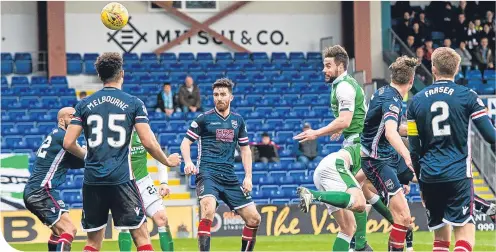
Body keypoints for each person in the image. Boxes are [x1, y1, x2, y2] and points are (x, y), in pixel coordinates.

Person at [63, 52, 181, 252]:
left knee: (92, 243)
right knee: (141, 236)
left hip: (92, 180)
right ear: (122, 74)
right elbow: (148, 141)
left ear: (100, 76)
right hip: (121, 179)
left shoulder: (83, 105)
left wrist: (89, 157)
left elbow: (67, 143)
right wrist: (167, 162)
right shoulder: (133, 103)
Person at [407, 47, 496, 252]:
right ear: (456, 69)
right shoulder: (468, 96)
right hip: (458, 175)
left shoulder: (416, 101)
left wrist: (421, 181)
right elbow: (491, 136)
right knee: (465, 235)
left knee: (440, 238)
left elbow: (414, 148)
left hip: (429, 176)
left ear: (433, 68)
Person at [293, 45, 372, 251]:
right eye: (324, 65)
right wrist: (339, 129)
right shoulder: (342, 85)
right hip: (353, 144)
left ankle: (361, 245)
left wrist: (317, 132)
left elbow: (345, 120)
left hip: (356, 145)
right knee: (357, 207)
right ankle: (362, 246)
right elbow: (347, 120)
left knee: (349, 224)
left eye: (328, 65)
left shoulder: (344, 87)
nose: (324, 70)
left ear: (341, 65)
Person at [180, 78, 261, 252]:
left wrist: (248, 177)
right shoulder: (203, 119)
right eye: (216, 95)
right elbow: (185, 143)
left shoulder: (238, 121)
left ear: (231, 97)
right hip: (207, 174)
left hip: (229, 177)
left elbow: (246, 150)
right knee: (208, 209)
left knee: (254, 219)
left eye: (223, 94)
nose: (219, 98)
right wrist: (188, 162)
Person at [360, 56, 418, 251]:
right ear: (411, 81)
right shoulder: (392, 99)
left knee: (406, 218)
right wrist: (407, 156)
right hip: (377, 161)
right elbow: (390, 132)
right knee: (402, 218)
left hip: (387, 156)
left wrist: (418, 129)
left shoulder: (383, 91)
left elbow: (391, 127)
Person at [23, 107, 86, 252]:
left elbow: (77, 162)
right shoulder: (62, 137)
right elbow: (86, 157)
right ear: (61, 120)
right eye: (72, 117)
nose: (76, 121)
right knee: (69, 230)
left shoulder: (57, 137)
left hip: (37, 191)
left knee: (58, 232)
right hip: (42, 191)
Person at [297, 143, 366, 252]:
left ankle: (312, 195)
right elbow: (359, 180)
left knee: (348, 228)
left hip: (326, 168)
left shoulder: (369, 147)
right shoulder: (377, 156)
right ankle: (312, 195)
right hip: (335, 166)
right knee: (360, 202)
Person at [118, 131, 174, 252]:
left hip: (144, 182)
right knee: (125, 226)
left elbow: (159, 156)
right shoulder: (117, 132)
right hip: (124, 184)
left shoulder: (144, 132)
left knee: (162, 218)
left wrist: (163, 182)